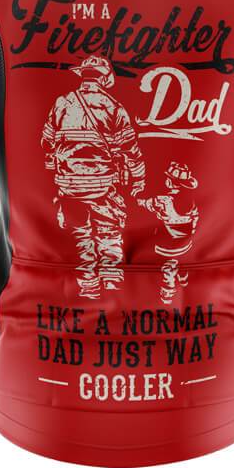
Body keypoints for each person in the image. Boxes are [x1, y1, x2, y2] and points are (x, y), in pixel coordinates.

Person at [41, 56, 145, 299]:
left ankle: (88, 289)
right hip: (102, 185)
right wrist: (139, 178)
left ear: (83, 75)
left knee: (80, 237)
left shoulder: (62, 103)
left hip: (69, 186)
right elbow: (130, 149)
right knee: (108, 234)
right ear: (105, 78)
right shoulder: (113, 107)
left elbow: (46, 141)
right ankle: (112, 290)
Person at [138, 161, 200, 304]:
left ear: (170, 183)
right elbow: (195, 217)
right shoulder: (190, 201)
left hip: (166, 245)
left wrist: (138, 198)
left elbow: (144, 203)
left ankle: (167, 295)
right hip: (186, 243)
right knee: (182, 261)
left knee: (167, 267)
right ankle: (184, 280)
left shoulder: (162, 201)